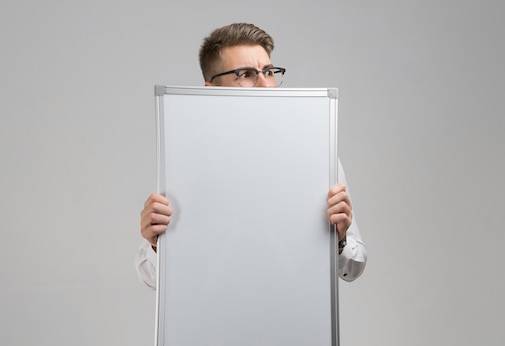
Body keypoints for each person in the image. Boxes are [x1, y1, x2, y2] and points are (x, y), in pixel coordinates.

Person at [135, 23, 367, 289]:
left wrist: (338, 241)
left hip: (296, 323)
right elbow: (152, 278)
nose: (265, 85)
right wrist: (156, 244)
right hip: (211, 324)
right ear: (211, 89)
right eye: (245, 74)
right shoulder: (188, 163)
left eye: (268, 71)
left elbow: (354, 265)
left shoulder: (317, 156)